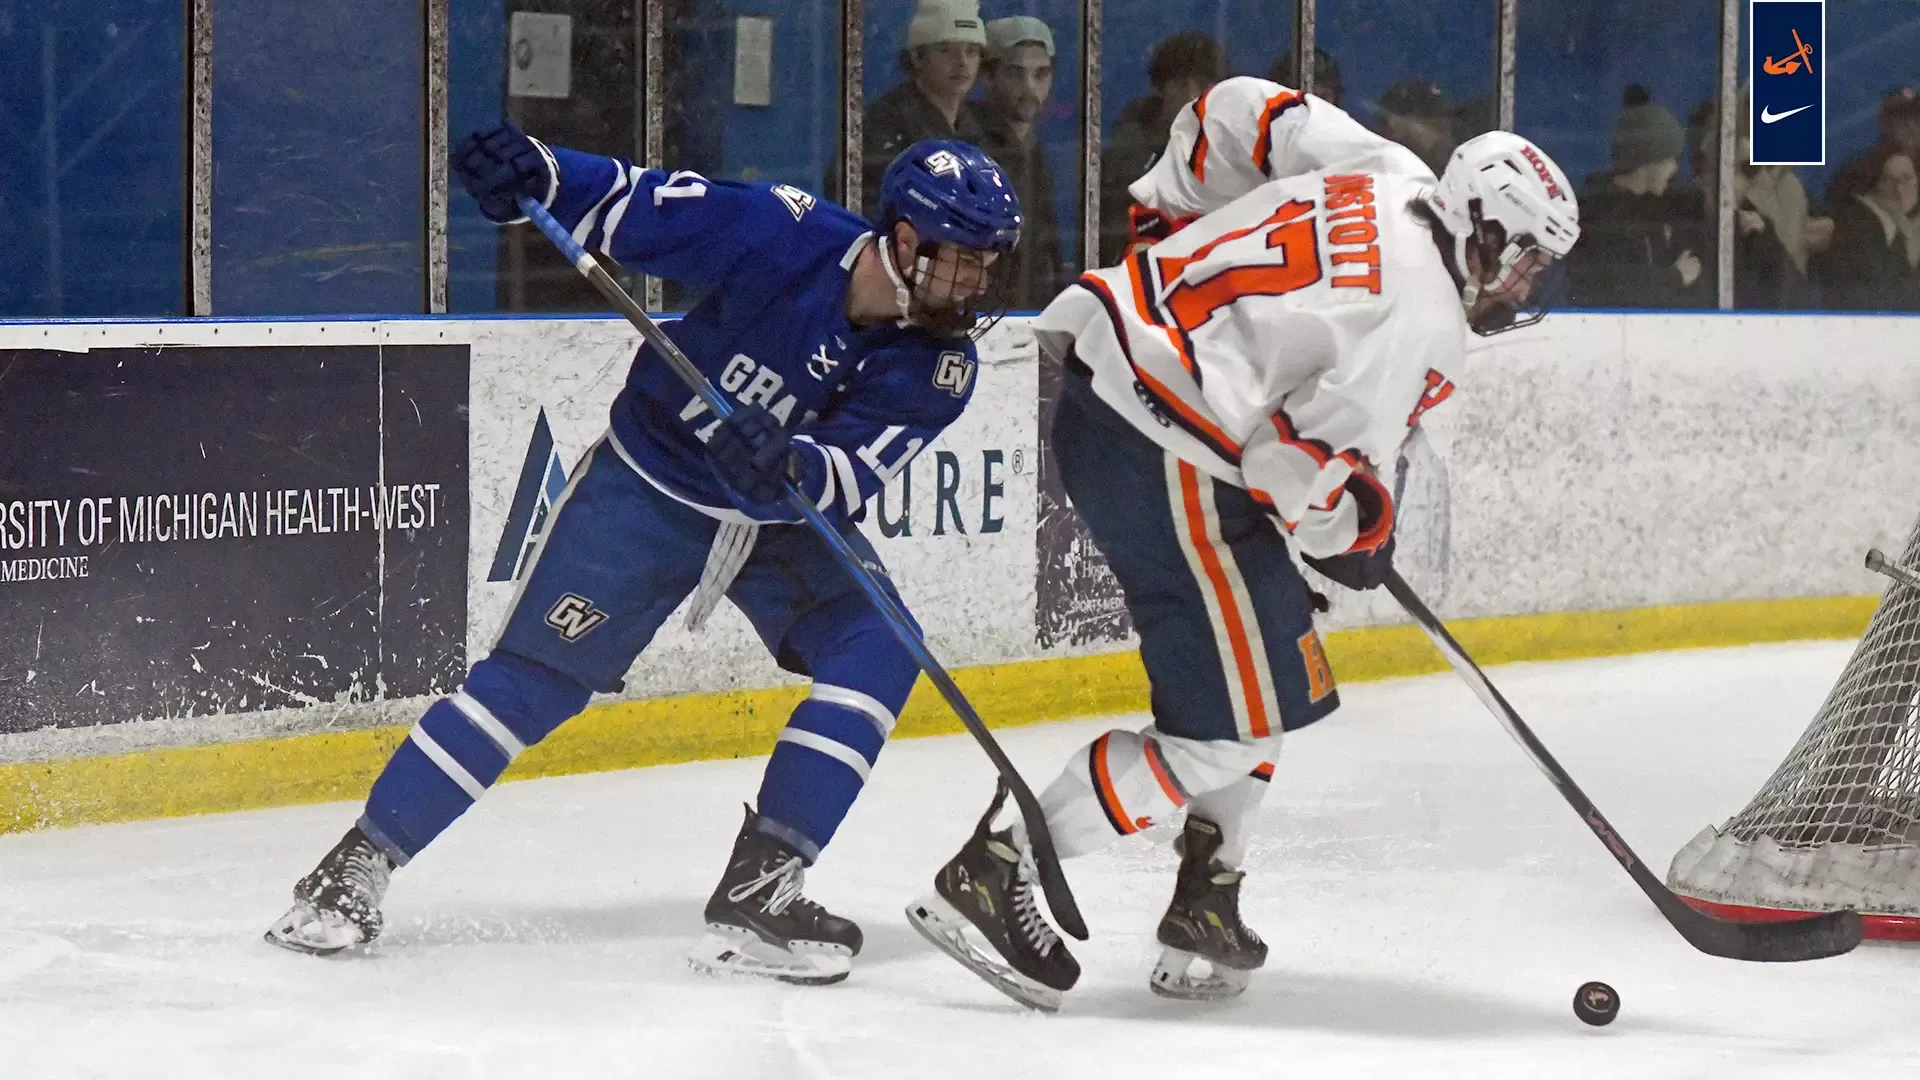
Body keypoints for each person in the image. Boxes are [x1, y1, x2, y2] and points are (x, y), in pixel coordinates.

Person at [264, 125, 1021, 987]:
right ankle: (358, 864)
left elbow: (847, 475)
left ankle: (761, 886)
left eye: (987, 265)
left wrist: (793, 465)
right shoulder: (785, 229)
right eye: (962, 259)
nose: (973, 284)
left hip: (781, 529)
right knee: (532, 683)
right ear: (906, 239)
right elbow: (635, 203)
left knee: (882, 648)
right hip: (647, 488)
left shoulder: (941, 366)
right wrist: (542, 172)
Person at [906, 75, 1580, 1010]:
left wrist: (1163, 214)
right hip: (1171, 453)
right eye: (1524, 264)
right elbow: (1289, 473)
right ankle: (998, 863)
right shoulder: (1420, 321)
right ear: (1484, 229)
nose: (1521, 287)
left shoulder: (1390, 172)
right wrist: (1358, 535)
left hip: (1136, 403)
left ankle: (1206, 902)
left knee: (1273, 665)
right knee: (1222, 738)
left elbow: (1248, 113)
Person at [1566, 85, 1707, 309]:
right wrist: (1674, 278)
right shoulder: (1597, 213)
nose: (1674, 168)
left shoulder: (1657, 211)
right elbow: (1604, 284)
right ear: (1647, 162)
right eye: (1669, 159)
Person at [1099, 32, 1225, 265]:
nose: (1191, 97)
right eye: (1179, 85)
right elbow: (1115, 233)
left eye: (1201, 86)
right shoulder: (1132, 148)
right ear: (1159, 87)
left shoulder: (1231, 146)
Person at [857, 0, 988, 217]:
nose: (962, 62)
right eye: (946, 50)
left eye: (972, 51)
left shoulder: (980, 126)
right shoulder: (885, 124)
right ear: (917, 57)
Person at [976, 16, 1064, 309]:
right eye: (1015, 73)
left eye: (1041, 74)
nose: (1030, 87)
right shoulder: (970, 146)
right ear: (987, 76)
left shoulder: (1035, 147)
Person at [1818, 145, 1920, 311]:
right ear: (1872, 183)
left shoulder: (1891, 229)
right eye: (1889, 181)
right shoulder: (1857, 228)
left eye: (1907, 178)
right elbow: (1880, 296)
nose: (1900, 188)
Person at [1826, 88, 1920, 211]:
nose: (1910, 126)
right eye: (1899, 119)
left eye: (1915, 118)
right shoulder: (1856, 174)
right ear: (1884, 124)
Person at [1374, 77, 1456, 177]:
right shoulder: (1385, 180)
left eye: (1442, 116)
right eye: (1427, 117)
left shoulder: (1468, 165)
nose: (1442, 127)